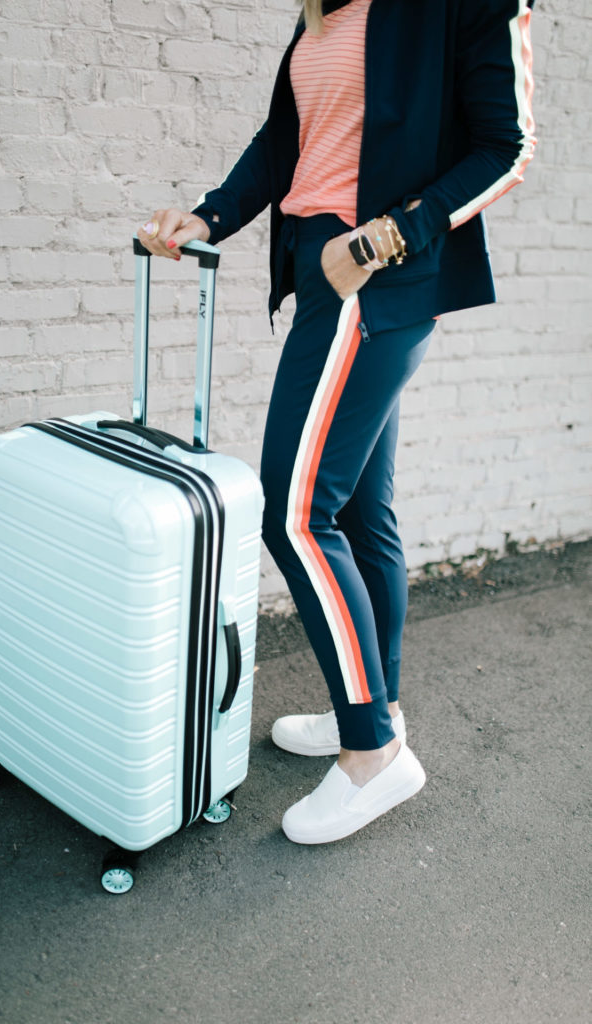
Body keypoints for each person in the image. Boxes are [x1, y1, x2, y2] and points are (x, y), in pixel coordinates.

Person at [137, 0, 536, 844]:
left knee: (293, 513)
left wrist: (383, 240)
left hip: (370, 273)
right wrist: (210, 215)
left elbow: (506, 147)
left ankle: (372, 752)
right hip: (325, 270)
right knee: (356, 510)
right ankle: (372, 707)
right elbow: (287, 139)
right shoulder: (323, 10)